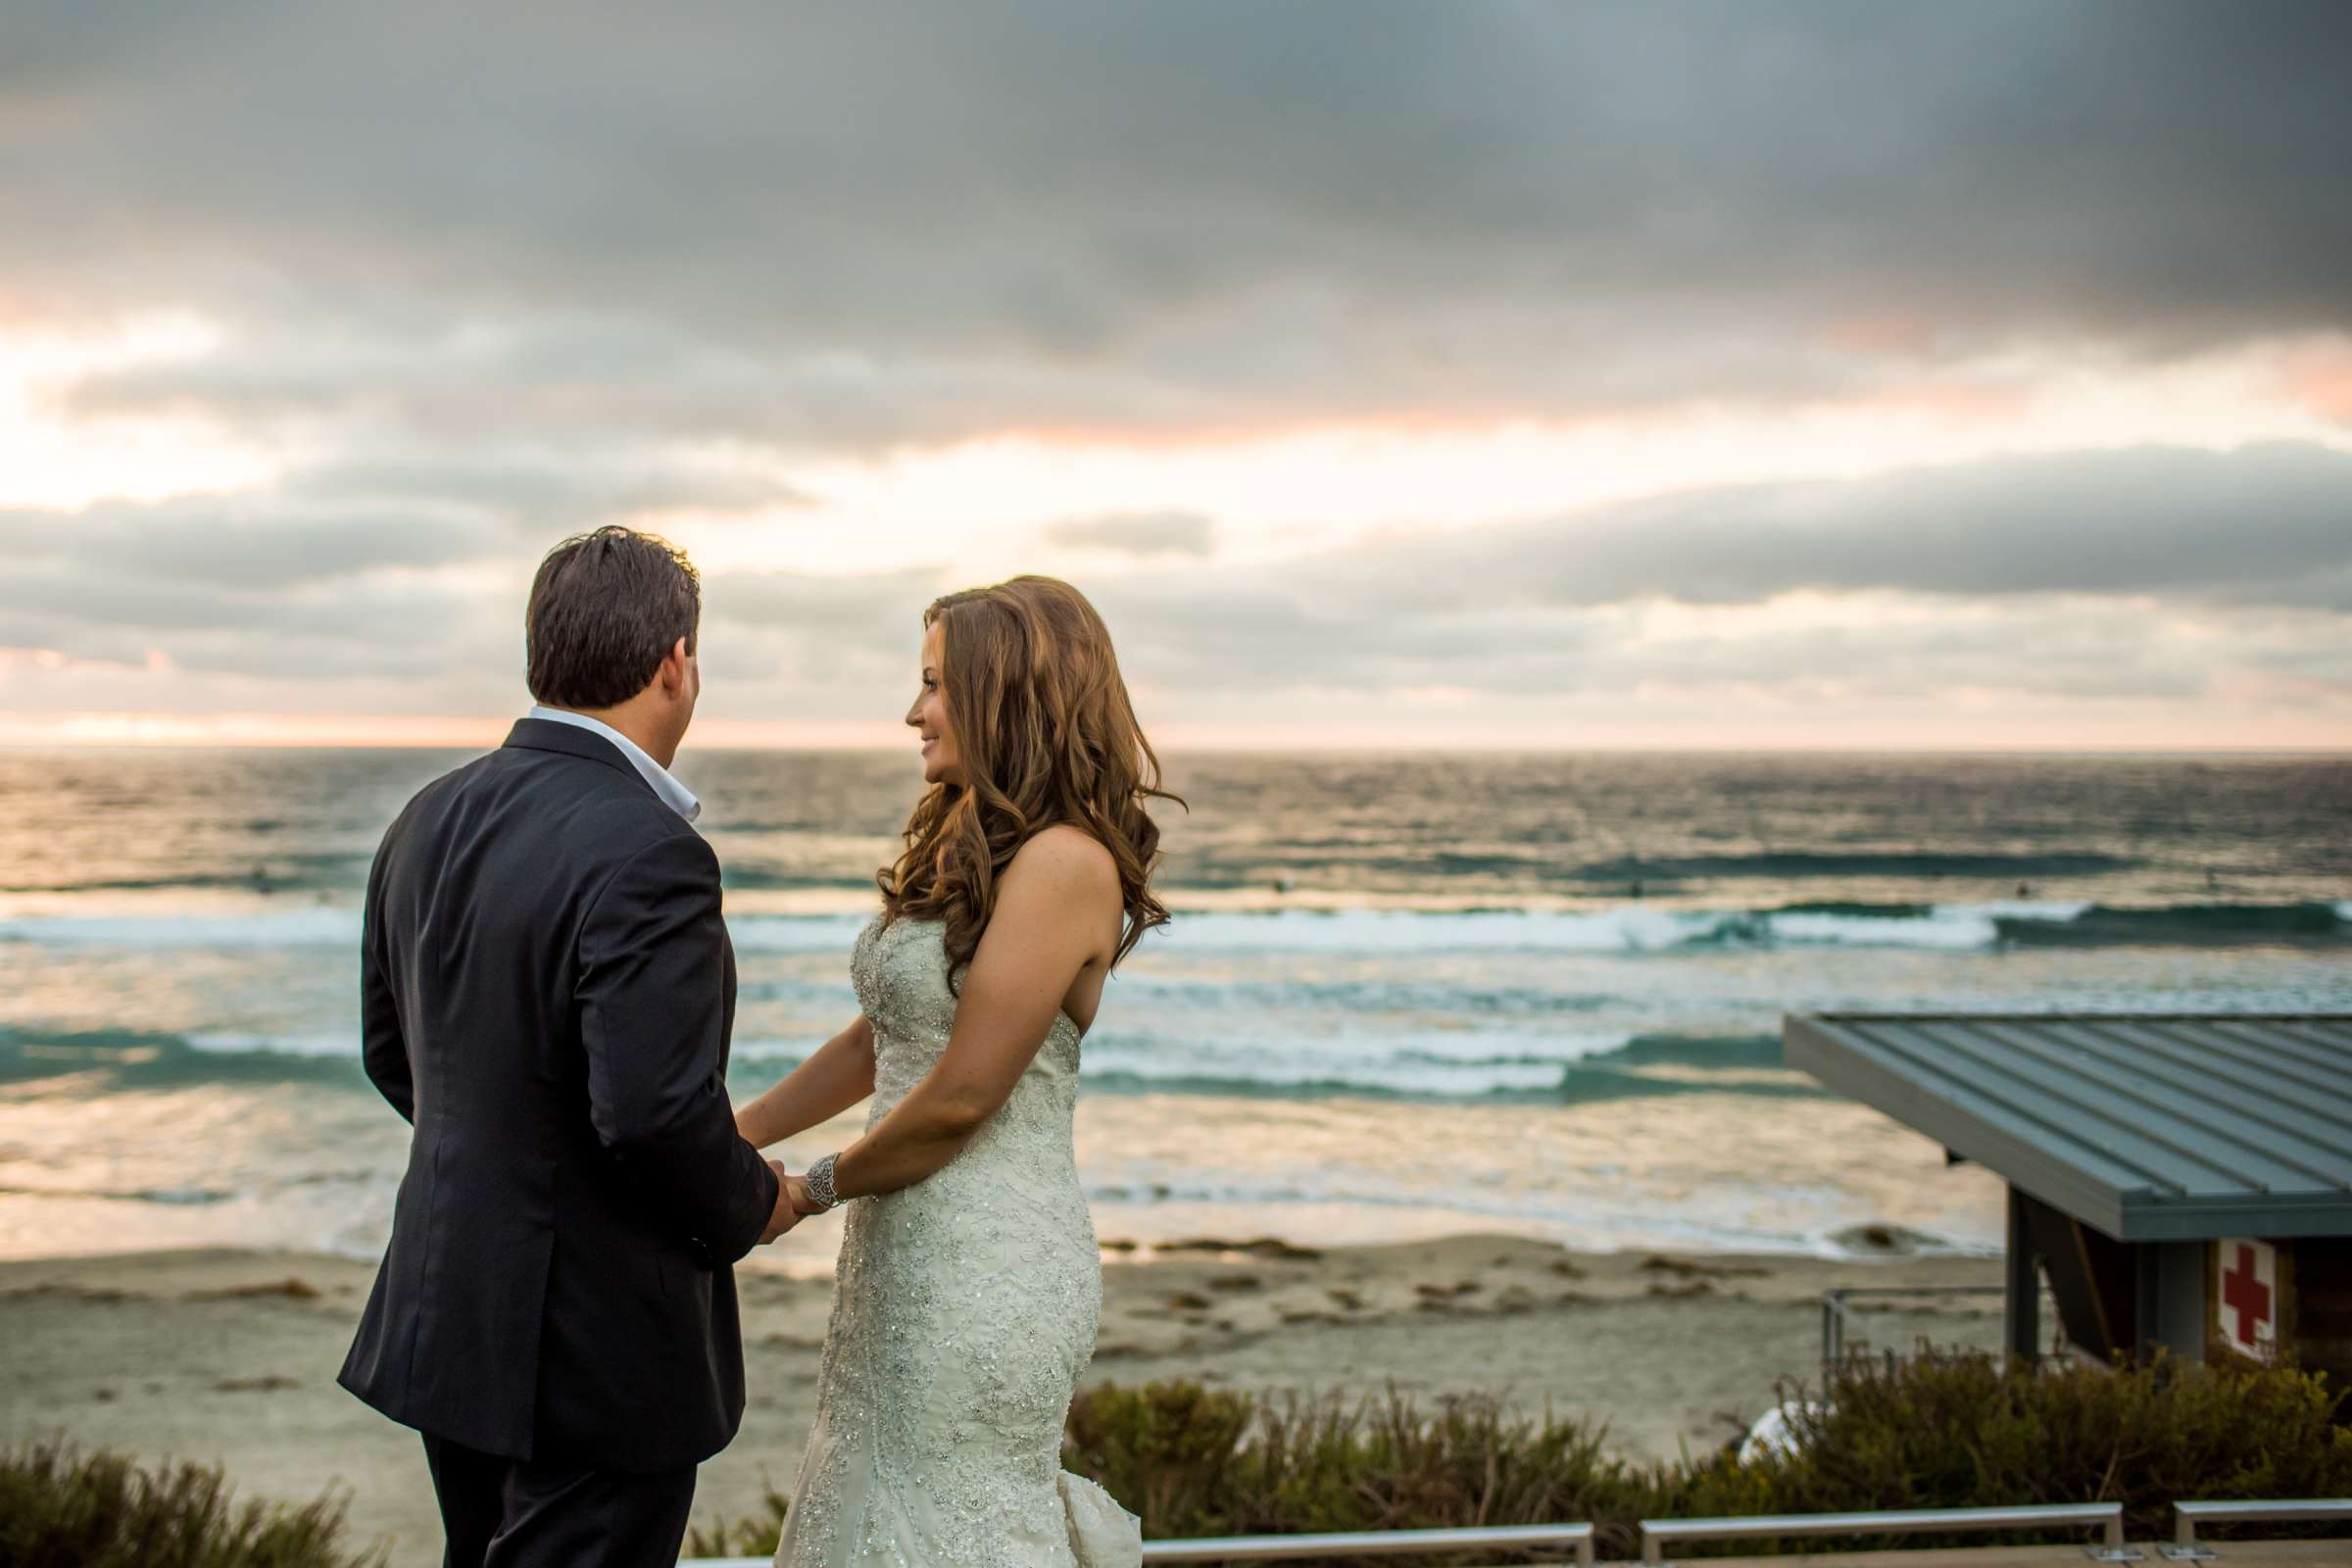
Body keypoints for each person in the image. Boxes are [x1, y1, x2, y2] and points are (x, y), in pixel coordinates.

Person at [339, 526, 799, 1566]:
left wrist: (517, 1170)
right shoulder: (650, 848)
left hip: (450, 1306)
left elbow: (390, 1051)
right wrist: (755, 1202)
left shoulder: (425, 816)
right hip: (596, 1347)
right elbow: (651, 1114)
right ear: (676, 661)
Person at [735, 576, 1174, 1567]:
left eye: (935, 684)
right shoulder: (967, 838)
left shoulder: (1066, 862)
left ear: (1005, 693)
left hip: (986, 1262)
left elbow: (966, 1093)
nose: (913, 710)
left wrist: (810, 1189)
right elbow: (878, 1039)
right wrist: (740, 1132)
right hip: (904, 1243)